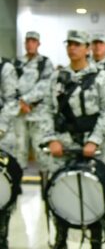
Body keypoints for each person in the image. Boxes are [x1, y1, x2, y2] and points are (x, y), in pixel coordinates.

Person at [40, 30, 105, 249]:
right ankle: (61, 237)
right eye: (69, 44)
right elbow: (46, 110)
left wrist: (94, 141)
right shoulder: (57, 77)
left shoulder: (100, 77)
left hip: (92, 148)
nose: (72, 48)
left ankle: (95, 239)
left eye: (77, 44)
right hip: (63, 145)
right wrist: (50, 139)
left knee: (94, 194)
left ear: (87, 49)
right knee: (60, 192)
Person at [13, 31, 54, 173]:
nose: (30, 44)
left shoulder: (45, 63)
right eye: (28, 41)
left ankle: (46, 183)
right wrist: (20, 102)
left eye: (33, 41)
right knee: (19, 148)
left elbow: (45, 85)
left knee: (40, 148)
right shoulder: (17, 63)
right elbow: (10, 85)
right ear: (24, 43)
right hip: (19, 112)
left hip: (38, 112)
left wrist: (27, 100)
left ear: (38, 44)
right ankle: (17, 183)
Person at [0, 58, 22, 249]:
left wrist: (0, 128)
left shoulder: (4, 68)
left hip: (1, 138)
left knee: (2, 189)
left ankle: (1, 236)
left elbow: (11, 102)